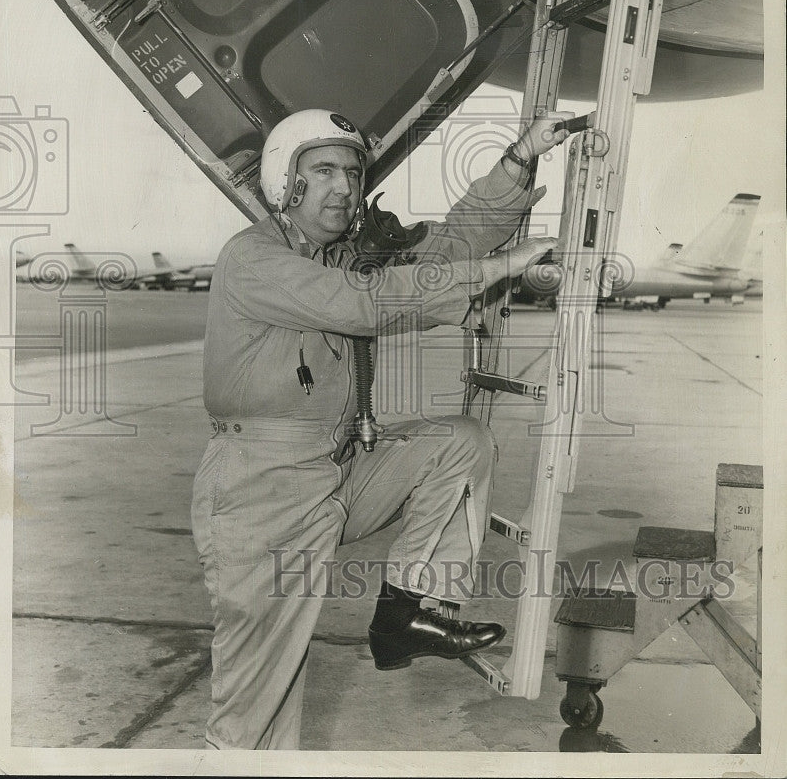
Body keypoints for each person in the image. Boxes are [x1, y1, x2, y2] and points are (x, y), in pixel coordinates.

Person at [191, 108, 566, 749]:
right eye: (324, 170)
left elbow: (440, 255)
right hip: (262, 490)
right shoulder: (254, 260)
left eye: (353, 171)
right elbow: (368, 303)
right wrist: (492, 272)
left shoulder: (341, 257)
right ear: (288, 182)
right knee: (257, 703)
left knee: (458, 445)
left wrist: (519, 160)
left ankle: (404, 613)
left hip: (336, 473)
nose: (344, 186)